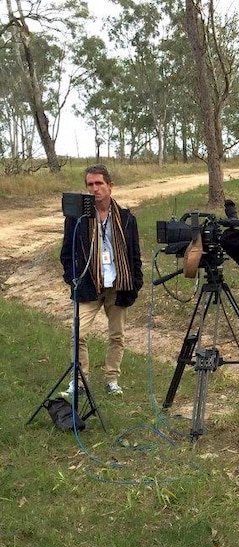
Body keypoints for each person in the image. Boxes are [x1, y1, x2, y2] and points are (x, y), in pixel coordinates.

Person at [60, 164, 143, 397]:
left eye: (99, 183)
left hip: (118, 285)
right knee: (78, 334)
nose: (95, 189)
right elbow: (66, 252)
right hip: (88, 285)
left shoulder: (126, 217)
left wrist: (135, 284)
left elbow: (135, 254)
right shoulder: (78, 218)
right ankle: (78, 382)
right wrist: (72, 279)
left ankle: (112, 380)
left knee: (117, 335)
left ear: (110, 186)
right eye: (90, 184)